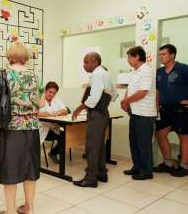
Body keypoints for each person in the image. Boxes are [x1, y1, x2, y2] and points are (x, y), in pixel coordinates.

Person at [0, 41, 43, 214]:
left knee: (9, 168)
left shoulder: (3, 75)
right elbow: (41, 103)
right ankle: (29, 208)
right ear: (25, 57)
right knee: (30, 168)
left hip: (10, 129)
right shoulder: (34, 76)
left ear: (9, 56)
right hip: (32, 129)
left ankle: (10, 211)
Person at [72, 52, 115, 188]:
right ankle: (101, 173)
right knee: (99, 145)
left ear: (95, 62)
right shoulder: (104, 73)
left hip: (96, 113)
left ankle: (91, 178)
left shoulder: (97, 74)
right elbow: (114, 94)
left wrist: (80, 107)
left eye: (86, 62)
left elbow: (94, 97)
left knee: (91, 146)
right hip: (103, 113)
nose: (84, 65)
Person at [121, 46, 156, 180]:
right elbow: (131, 89)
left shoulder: (146, 70)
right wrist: (126, 101)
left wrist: (126, 101)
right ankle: (137, 167)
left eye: (129, 57)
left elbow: (143, 92)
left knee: (143, 143)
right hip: (135, 112)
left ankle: (146, 171)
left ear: (137, 57)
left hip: (144, 114)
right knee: (134, 141)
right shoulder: (134, 71)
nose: (128, 60)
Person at [154, 44, 188, 177]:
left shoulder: (183, 69)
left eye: (164, 54)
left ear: (172, 55)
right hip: (164, 109)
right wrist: (156, 106)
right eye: (160, 55)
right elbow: (157, 90)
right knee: (160, 134)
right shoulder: (159, 72)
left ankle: (184, 165)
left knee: (184, 138)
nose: (161, 57)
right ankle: (167, 163)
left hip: (181, 109)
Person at [38, 81, 68, 163]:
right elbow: (35, 113)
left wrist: (56, 113)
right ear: (45, 90)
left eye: (54, 93)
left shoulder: (57, 99)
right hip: (42, 128)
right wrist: (47, 114)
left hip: (54, 128)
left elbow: (65, 110)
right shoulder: (39, 98)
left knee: (65, 138)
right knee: (35, 143)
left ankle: (53, 153)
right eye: (50, 92)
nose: (52, 95)